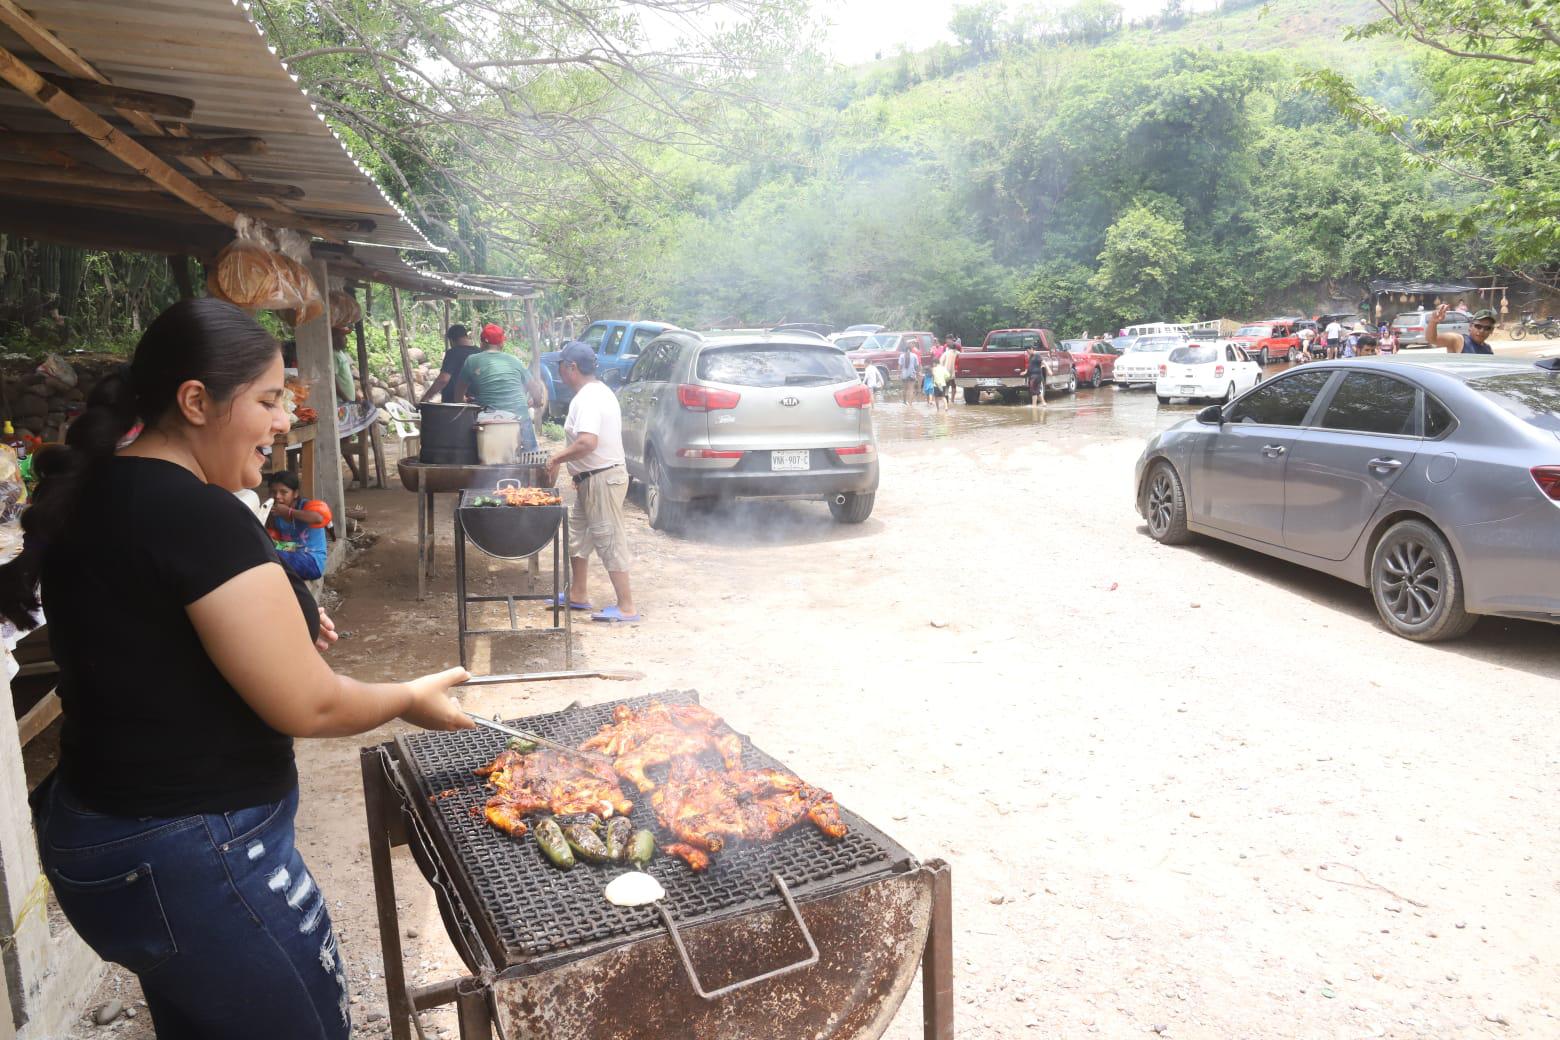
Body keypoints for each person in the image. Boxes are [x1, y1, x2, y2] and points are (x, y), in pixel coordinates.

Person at [0, 298, 472, 1040]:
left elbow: (149, 631)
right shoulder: (197, 513)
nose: (285, 419)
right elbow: (310, 706)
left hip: (101, 831)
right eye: (267, 399)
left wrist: (275, 609)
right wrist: (409, 696)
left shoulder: (96, 490)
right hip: (192, 851)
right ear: (195, 401)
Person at [545, 342, 638, 623]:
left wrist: (557, 459)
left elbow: (588, 441)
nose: (559, 369)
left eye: (561, 365)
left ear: (572, 367)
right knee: (578, 537)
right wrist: (577, 472)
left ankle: (626, 606)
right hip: (591, 478)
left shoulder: (588, 398)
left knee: (609, 540)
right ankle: (578, 594)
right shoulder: (595, 392)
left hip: (602, 478)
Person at [451, 323, 541, 451]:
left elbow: (458, 394)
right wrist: (537, 402)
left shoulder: (472, 360)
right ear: (502, 344)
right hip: (519, 418)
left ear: (481, 343)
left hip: (489, 422)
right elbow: (535, 388)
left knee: (485, 459)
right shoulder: (514, 360)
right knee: (530, 456)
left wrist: (463, 402)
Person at [265, 469, 331, 581]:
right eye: (273, 492)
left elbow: (318, 518)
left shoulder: (306, 506)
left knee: (271, 557)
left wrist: (289, 512)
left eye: (283, 492)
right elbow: (279, 542)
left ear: (295, 493)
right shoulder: (274, 513)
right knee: (264, 549)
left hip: (312, 560)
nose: (277, 496)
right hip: (290, 550)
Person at [422, 324, 480, 404]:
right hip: (476, 403)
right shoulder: (480, 353)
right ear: (466, 336)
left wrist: (425, 398)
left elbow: (443, 380)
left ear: (452, 340)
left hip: (453, 405)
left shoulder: (453, 353)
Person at [1426, 303, 1496, 354]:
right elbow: (1432, 339)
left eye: (1487, 328)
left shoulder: (1488, 350)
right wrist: (1433, 321)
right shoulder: (1459, 341)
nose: (1482, 330)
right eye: (1478, 326)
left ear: (1491, 331)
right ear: (1470, 326)